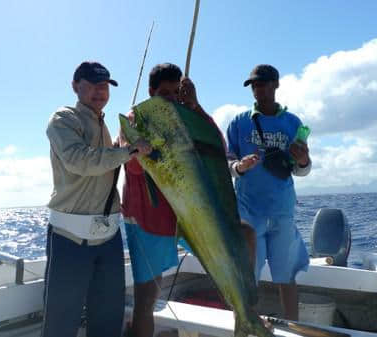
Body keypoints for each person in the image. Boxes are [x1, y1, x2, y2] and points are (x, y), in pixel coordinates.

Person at [43, 61, 151, 337]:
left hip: (109, 237)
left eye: (104, 86)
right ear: (75, 86)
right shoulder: (63, 119)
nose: (99, 91)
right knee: (61, 322)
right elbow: (80, 161)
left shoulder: (105, 124)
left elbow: (108, 161)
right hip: (70, 236)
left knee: (107, 318)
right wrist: (127, 151)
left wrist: (125, 145)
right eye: (91, 85)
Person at [121, 63, 220, 337]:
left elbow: (217, 148)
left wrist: (195, 107)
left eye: (176, 92)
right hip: (146, 219)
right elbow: (133, 167)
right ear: (151, 92)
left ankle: (245, 311)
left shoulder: (187, 114)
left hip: (185, 217)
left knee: (244, 234)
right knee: (147, 299)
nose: (172, 99)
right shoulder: (135, 120)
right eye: (165, 93)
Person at [226, 64, 311, 320]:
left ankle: (293, 326)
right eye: (253, 84)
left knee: (286, 276)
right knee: (247, 275)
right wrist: (239, 167)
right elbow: (227, 161)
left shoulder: (293, 122)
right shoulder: (239, 123)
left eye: (262, 83)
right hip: (248, 214)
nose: (257, 88)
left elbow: (301, 170)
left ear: (276, 84)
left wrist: (304, 160)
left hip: (282, 212)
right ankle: (247, 324)